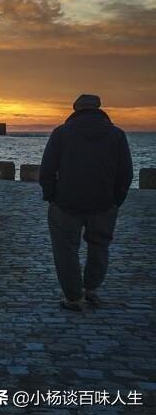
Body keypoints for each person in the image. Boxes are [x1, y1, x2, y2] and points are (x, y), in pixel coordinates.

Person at [39, 94, 133, 311]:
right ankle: (91, 289)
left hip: (65, 204)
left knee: (65, 250)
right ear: (99, 109)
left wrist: (51, 196)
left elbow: (47, 170)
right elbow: (126, 173)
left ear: (75, 109)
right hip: (104, 204)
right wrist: (115, 200)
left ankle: (74, 298)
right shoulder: (117, 135)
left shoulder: (61, 133)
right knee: (99, 246)